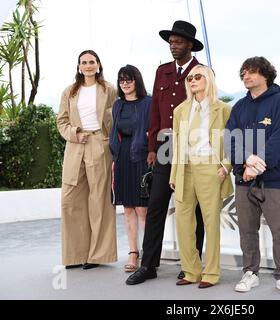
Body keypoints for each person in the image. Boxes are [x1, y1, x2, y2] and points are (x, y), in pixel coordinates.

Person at [126, 20, 205, 285]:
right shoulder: (162, 71)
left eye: (178, 42)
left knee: (192, 208)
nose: (173, 46)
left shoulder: (202, 71)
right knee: (157, 203)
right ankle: (148, 265)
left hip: (192, 146)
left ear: (190, 45)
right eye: (171, 41)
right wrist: (152, 147)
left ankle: (191, 265)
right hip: (164, 147)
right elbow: (156, 113)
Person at [225, 56, 280, 297]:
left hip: (274, 180)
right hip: (244, 180)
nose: (246, 76)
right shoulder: (239, 107)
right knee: (247, 229)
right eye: (243, 72)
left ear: (265, 75)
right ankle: (250, 273)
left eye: (252, 72)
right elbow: (229, 139)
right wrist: (246, 161)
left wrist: (255, 166)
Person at [169, 65, 233, 288]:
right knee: (183, 221)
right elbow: (176, 144)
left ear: (209, 80)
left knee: (211, 221)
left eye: (198, 77)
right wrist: (174, 172)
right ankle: (191, 270)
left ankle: (212, 273)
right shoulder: (180, 110)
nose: (192, 81)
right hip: (185, 169)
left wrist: (226, 166)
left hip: (210, 169)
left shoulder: (223, 109)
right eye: (189, 78)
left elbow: (234, 142)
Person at [57, 49, 117, 270]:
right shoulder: (69, 92)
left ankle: (96, 255)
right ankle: (75, 254)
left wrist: (107, 139)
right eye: (84, 62)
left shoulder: (108, 89)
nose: (88, 65)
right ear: (79, 66)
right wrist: (74, 133)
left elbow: (116, 117)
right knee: (70, 199)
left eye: (92, 62)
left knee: (99, 201)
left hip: (99, 145)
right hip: (75, 146)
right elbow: (61, 121)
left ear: (98, 65)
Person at [109, 65, 151, 272]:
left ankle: (149, 255)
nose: (124, 83)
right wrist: (114, 159)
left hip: (142, 157)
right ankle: (133, 253)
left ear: (137, 81)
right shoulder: (117, 105)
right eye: (121, 80)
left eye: (128, 79)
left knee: (142, 208)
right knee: (127, 208)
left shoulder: (148, 103)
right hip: (122, 157)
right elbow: (113, 133)